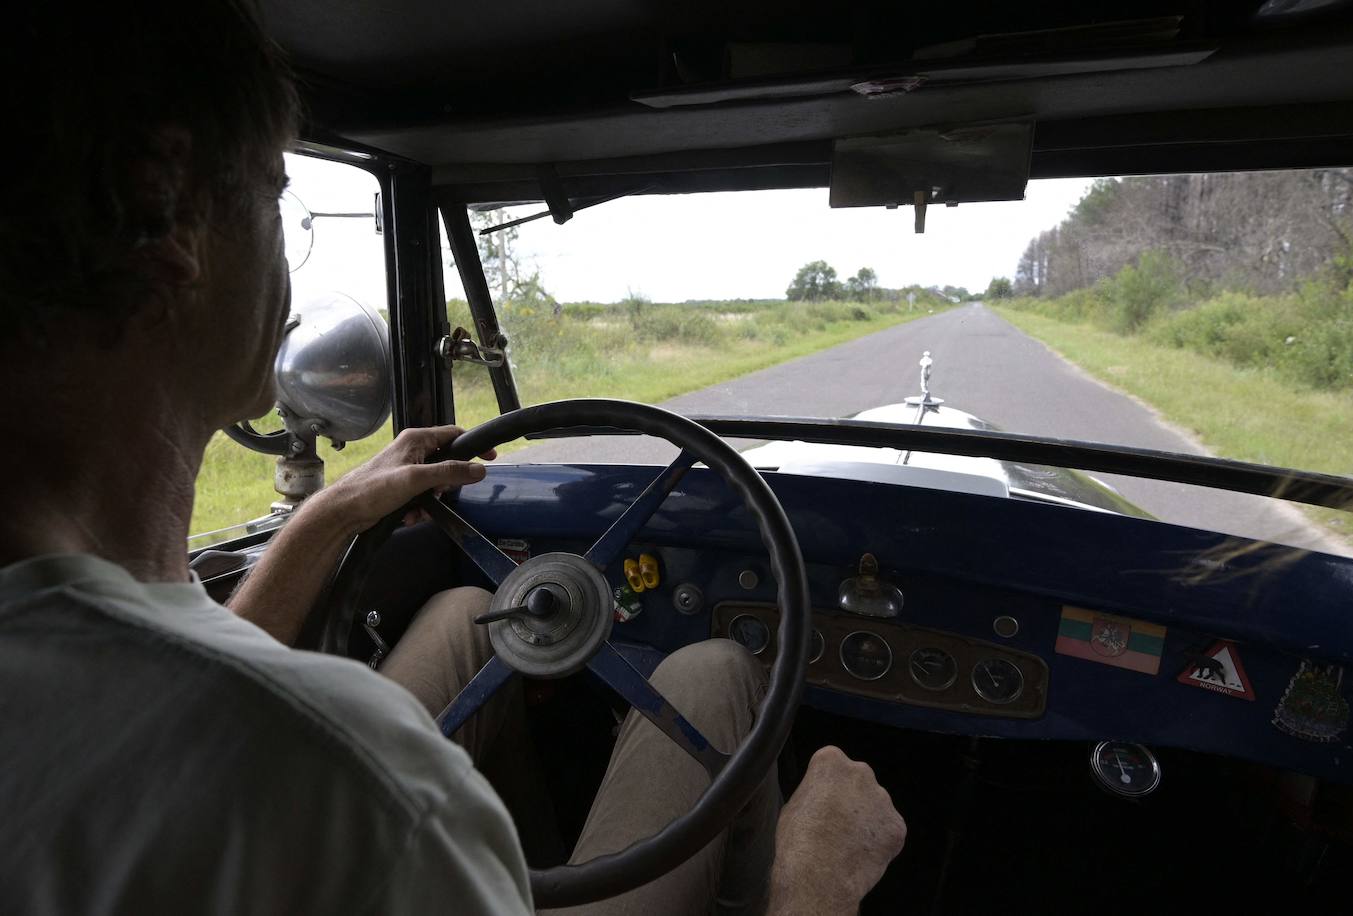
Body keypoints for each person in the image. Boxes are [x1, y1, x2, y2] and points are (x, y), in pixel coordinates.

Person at [0, 2, 906, 914]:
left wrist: (325, 515)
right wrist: (814, 889)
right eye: (277, 196)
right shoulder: (361, 790)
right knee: (710, 674)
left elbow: (166, 700)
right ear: (172, 213)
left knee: (477, 607)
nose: (286, 251)